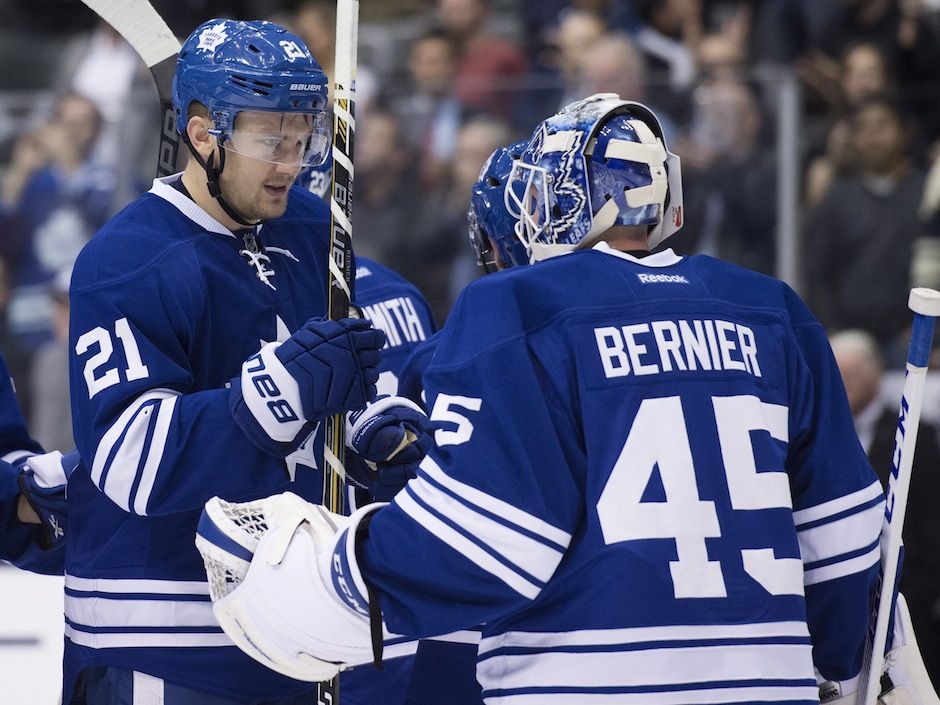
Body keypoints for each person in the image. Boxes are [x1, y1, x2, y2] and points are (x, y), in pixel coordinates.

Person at [200, 94, 889, 704]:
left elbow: (487, 548)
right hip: (769, 683)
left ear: (568, 199)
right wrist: (830, 669)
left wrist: (341, 573)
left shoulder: (519, 304)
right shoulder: (770, 310)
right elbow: (845, 538)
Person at [65, 18, 426, 705]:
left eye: (302, 137)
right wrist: (273, 395)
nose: (292, 161)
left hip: (300, 631)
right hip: (167, 644)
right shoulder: (126, 259)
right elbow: (128, 460)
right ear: (204, 137)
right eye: (270, 139)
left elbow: (339, 384)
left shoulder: (311, 228)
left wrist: (376, 427)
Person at [830, 329, 940, 685]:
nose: (843, 383)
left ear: (874, 371)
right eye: (836, 374)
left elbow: (929, 522)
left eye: (851, 373)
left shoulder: (914, 437)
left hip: (905, 602)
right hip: (841, 605)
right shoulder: (819, 435)